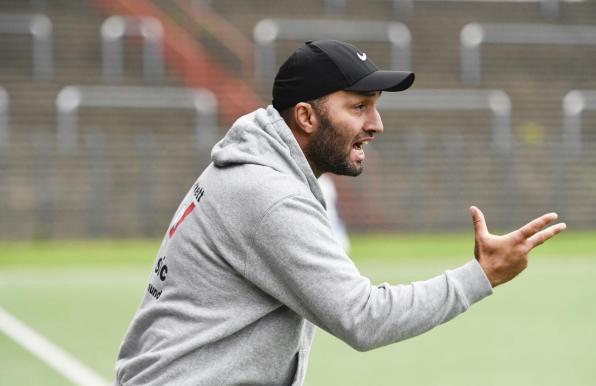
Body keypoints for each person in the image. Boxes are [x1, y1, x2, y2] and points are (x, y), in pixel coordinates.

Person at [114, 40, 566, 386]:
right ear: (306, 117)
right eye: (359, 107)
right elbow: (364, 318)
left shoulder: (254, 169)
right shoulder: (270, 195)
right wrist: (481, 275)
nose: (376, 125)